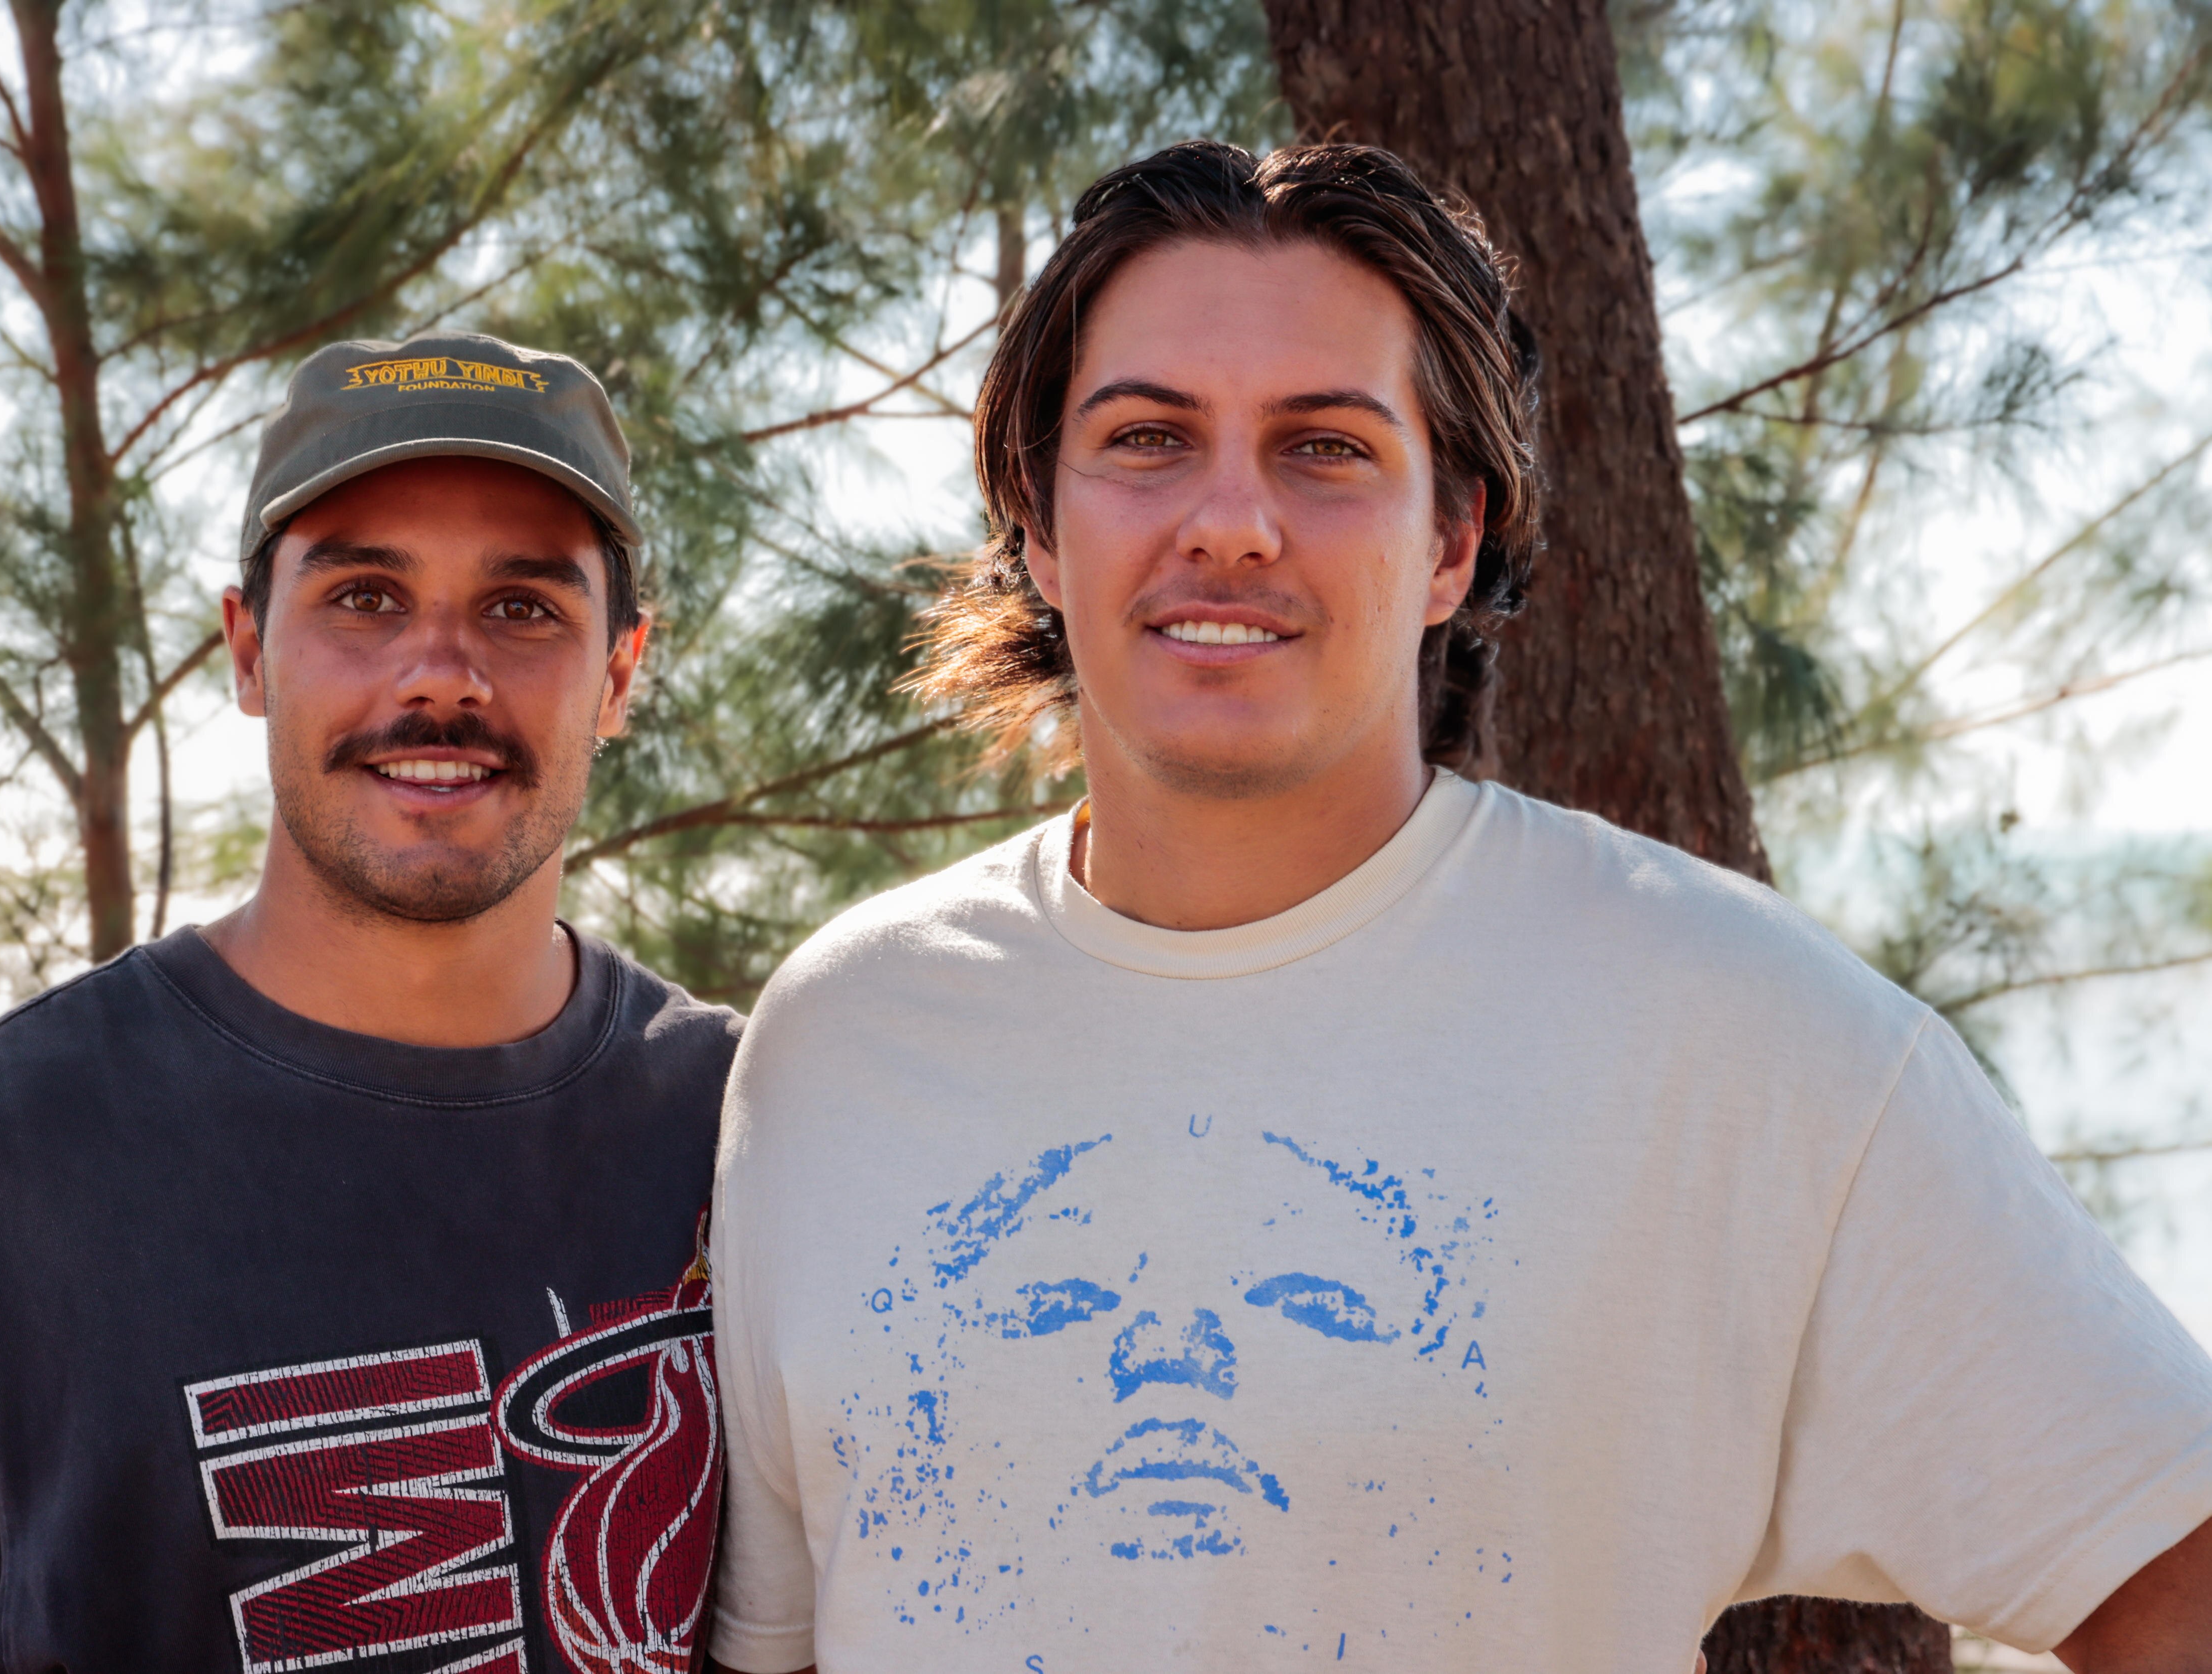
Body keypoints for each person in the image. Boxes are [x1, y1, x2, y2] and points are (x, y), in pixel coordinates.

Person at [704, 142, 2212, 1673]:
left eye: (1326, 448)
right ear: (1038, 524)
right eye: (1149, 438)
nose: (1231, 520)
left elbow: (2171, 1567)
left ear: (1451, 540)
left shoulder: (1728, 1027)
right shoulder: (843, 1035)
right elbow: (788, 1641)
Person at [0, 332, 738, 1674]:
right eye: (364, 597)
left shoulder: (757, 1134)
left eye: (524, 608)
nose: (440, 672)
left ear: (620, 674)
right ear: (249, 652)